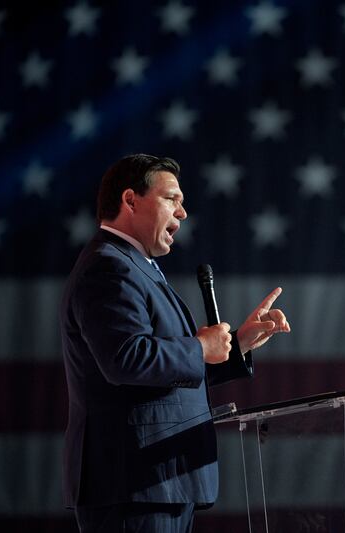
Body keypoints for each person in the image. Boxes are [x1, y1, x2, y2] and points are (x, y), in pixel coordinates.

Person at [60, 154, 290, 532]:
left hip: (158, 482)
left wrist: (237, 345)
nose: (182, 213)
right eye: (172, 199)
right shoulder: (108, 267)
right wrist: (200, 348)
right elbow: (126, 359)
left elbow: (164, 376)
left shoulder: (136, 267)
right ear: (130, 200)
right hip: (132, 485)